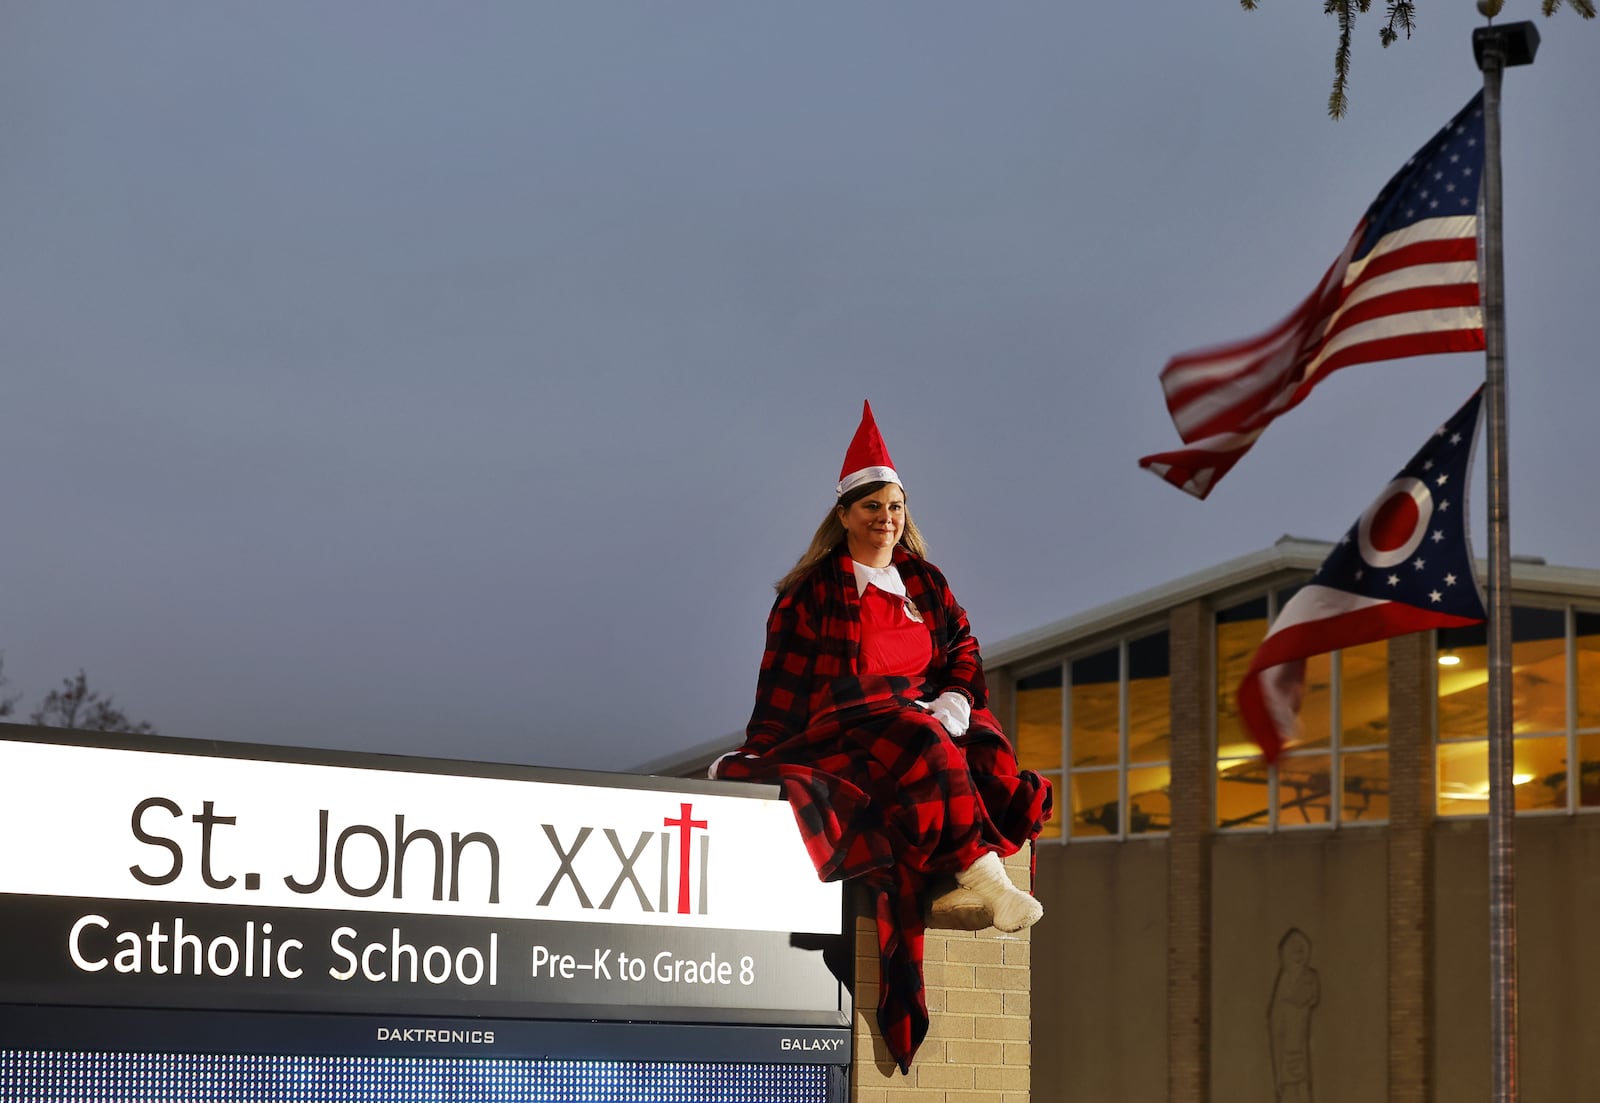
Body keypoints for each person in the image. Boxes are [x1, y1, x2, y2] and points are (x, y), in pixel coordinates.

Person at [711, 400, 1053, 1073]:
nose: (885, 518)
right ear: (843, 515)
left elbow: (963, 645)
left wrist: (957, 695)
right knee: (918, 736)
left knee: (984, 744)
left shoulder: (924, 581)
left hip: (921, 712)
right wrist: (757, 752)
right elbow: (780, 685)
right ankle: (981, 876)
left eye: (894, 506)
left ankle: (949, 871)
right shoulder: (809, 592)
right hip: (842, 722)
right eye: (870, 506)